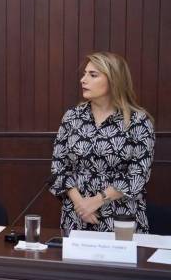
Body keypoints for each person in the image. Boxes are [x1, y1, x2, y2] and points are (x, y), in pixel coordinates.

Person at [50, 52, 155, 233]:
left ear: (114, 80)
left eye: (93, 75)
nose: (83, 80)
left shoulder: (138, 122)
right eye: (84, 74)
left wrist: (97, 201)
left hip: (121, 218)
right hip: (77, 216)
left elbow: (138, 175)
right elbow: (58, 167)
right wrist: (81, 204)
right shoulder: (72, 117)